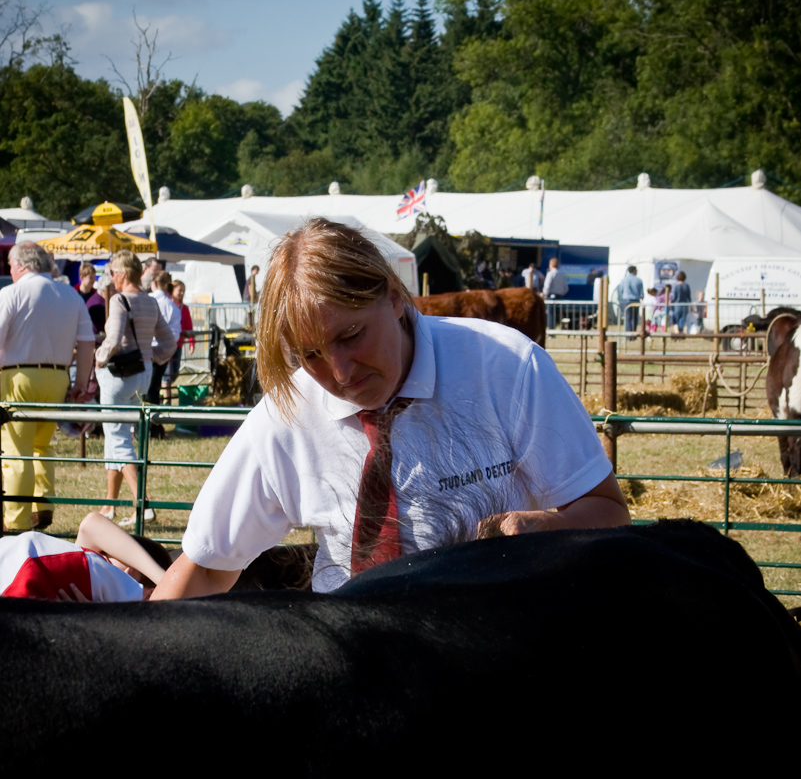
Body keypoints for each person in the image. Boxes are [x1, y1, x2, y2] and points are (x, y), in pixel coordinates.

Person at [153, 218, 629, 600]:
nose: (339, 373)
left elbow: (608, 510)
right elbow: (205, 567)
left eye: (351, 335)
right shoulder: (288, 414)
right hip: (356, 667)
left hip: (490, 657)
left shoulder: (505, 366)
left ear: (395, 295)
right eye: (311, 354)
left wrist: (549, 526)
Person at [0, 242, 95, 532]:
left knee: (17, 450)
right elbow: (87, 341)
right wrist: (80, 384)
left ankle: (15, 522)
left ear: (22, 265)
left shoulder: (11, 293)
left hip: (17, 377)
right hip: (58, 378)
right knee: (42, 446)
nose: (10, 270)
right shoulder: (71, 295)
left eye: (10, 265)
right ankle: (43, 507)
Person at [95, 251, 175, 527]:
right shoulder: (151, 302)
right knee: (115, 436)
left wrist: (99, 358)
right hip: (144, 374)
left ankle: (142, 505)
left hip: (119, 375)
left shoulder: (119, 300)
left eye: (112, 272)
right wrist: (151, 355)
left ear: (122, 273)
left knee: (118, 440)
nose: (111, 278)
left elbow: (113, 339)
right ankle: (109, 504)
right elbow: (169, 342)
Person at [0, 513, 171, 601]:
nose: (105, 555)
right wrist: (166, 581)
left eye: (111, 557)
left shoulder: (122, 590)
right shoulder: (88, 561)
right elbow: (92, 524)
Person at [146, 270, 180, 408]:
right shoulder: (173, 307)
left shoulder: (147, 300)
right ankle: (155, 423)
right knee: (155, 388)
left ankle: (144, 424)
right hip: (162, 353)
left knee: (145, 389)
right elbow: (174, 336)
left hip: (145, 350)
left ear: (153, 283)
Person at [166, 279, 195, 403]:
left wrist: (191, 342)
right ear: (173, 291)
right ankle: (166, 400)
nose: (182, 293)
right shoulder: (167, 305)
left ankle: (164, 392)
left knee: (174, 373)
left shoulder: (185, 309)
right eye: (180, 290)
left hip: (178, 345)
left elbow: (189, 326)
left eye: (183, 290)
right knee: (165, 376)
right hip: (166, 344)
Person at [618, 266, 644, 338]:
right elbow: (641, 293)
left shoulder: (623, 280)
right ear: (634, 270)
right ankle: (633, 335)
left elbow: (621, 291)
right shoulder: (638, 280)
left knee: (628, 318)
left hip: (626, 301)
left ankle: (628, 336)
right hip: (636, 300)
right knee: (635, 318)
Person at [542, 257, 568, 330]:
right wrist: (561, 293)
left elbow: (547, 286)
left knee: (550, 313)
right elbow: (566, 288)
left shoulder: (550, 274)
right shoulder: (562, 274)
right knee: (556, 313)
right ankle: (556, 327)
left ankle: (551, 330)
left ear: (550, 265)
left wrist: (544, 294)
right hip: (559, 297)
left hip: (551, 297)